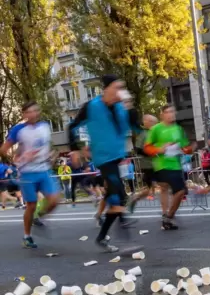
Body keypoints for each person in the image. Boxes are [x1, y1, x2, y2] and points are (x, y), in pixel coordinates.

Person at [68, 75, 141, 251]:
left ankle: (102, 236)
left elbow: (136, 127)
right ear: (106, 89)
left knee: (116, 197)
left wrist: (130, 105)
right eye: (117, 87)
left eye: (122, 88)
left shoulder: (120, 109)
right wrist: (75, 148)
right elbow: (72, 127)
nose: (120, 92)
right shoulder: (92, 107)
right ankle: (124, 238)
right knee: (118, 197)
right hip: (103, 158)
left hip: (117, 158)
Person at [0, 101, 60, 248]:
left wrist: (52, 154)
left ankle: (38, 217)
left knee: (54, 200)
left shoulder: (45, 126)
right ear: (24, 114)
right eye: (29, 112)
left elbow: (47, 146)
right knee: (31, 206)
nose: (33, 114)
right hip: (27, 173)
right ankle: (27, 237)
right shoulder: (18, 130)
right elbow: (3, 150)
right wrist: (22, 157)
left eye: (35, 111)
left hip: (44, 169)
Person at [144, 104, 194, 230]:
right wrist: (159, 149)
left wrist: (188, 149)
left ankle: (168, 217)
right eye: (167, 112)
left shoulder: (178, 129)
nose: (171, 114)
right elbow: (147, 147)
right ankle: (168, 216)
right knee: (178, 189)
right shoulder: (156, 129)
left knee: (180, 191)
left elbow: (185, 147)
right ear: (162, 114)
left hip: (176, 165)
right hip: (162, 165)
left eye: (172, 112)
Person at [127, 114, 162, 213]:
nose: (155, 124)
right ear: (147, 123)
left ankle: (135, 198)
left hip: (156, 164)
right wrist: (151, 154)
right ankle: (135, 198)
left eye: (156, 122)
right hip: (148, 165)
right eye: (153, 122)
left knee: (154, 188)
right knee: (159, 186)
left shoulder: (155, 133)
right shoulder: (144, 134)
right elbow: (138, 149)